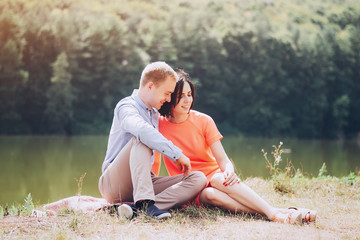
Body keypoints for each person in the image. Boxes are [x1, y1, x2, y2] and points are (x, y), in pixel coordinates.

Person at [154, 69, 316, 224]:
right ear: (169, 97)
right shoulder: (158, 125)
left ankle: (273, 213)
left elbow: (223, 160)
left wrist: (229, 170)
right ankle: (280, 211)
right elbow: (154, 163)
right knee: (209, 195)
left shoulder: (204, 121)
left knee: (218, 179)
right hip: (191, 186)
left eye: (189, 94)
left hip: (214, 177)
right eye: (181, 96)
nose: (187, 100)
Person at [98, 62, 207, 220]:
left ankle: (138, 208)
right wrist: (176, 154)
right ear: (150, 86)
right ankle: (145, 203)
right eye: (167, 93)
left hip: (143, 181)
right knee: (142, 138)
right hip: (114, 184)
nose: (169, 99)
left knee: (198, 178)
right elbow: (142, 131)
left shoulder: (154, 114)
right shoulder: (126, 106)